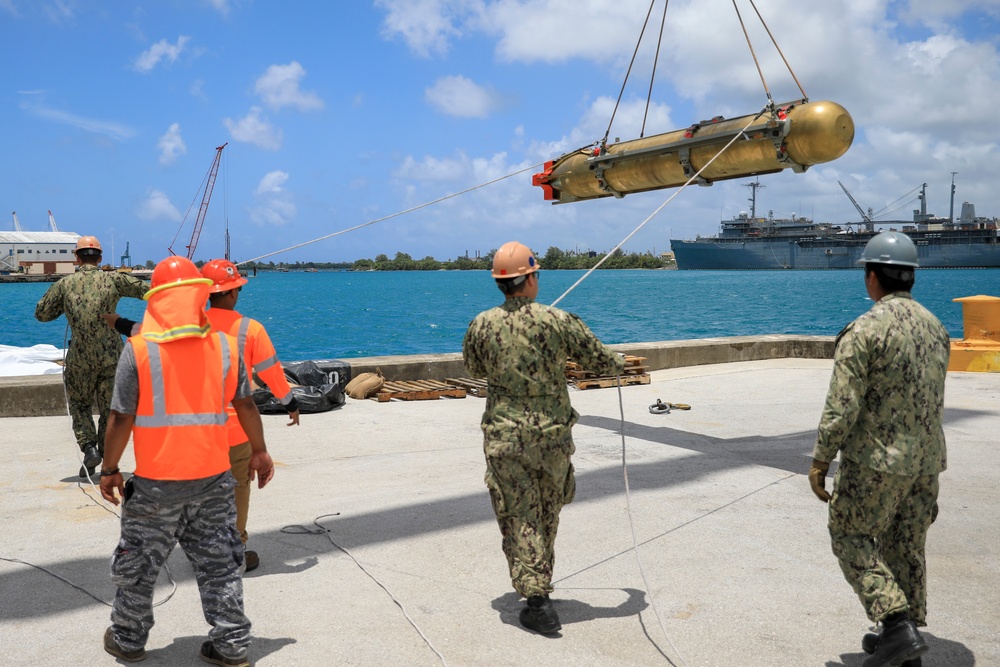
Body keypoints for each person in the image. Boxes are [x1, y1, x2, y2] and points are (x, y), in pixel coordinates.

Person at [99, 256, 275, 667]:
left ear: (155, 300)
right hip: (213, 481)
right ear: (200, 296)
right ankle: (231, 645)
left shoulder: (139, 349)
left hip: (156, 485)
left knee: (139, 566)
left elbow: (120, 417)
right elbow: (246, 404)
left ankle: (127, 639)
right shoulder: (227, 347)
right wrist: (261, 450)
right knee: (221, 565)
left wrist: (109, 469)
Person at [462, 241, 625, 635]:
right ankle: (538, 589)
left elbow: (474, 365)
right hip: (551, 436)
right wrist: (618, 363)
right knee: (547, 508)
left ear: (501, 284)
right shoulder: (559, 320)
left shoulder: (482, 324)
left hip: (504, 436)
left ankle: (536, 599)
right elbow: (601, 359)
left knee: (518, 513)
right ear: (531, 278)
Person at [808, 231, 949, 667]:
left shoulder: (865, 330)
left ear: (872, 278)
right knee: (905, 543)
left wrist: (820, 460)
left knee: (850, 533)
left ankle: (894, 626)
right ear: (911, 278)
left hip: (878, 460)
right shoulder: (936, 328)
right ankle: (906, 647)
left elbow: (842, 406)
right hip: (926, 462)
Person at [202, 258, 300, 573]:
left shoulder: (189, 325)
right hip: (234, 427)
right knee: (237, 487)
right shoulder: (250, 329)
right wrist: (290, 403)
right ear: (232, 293)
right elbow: (271, 373)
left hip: (194, 428)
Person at [34, 236, 148, 477]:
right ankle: (108, 461)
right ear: (100, 258)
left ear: (77, 258)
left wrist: (67, 306)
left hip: (80, 358)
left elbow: (42, 314)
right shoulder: (113, 279)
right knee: (111, 410)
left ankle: (88, 447)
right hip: (112, 358)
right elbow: (150, 291)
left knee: (79, 404)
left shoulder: (65, 284)